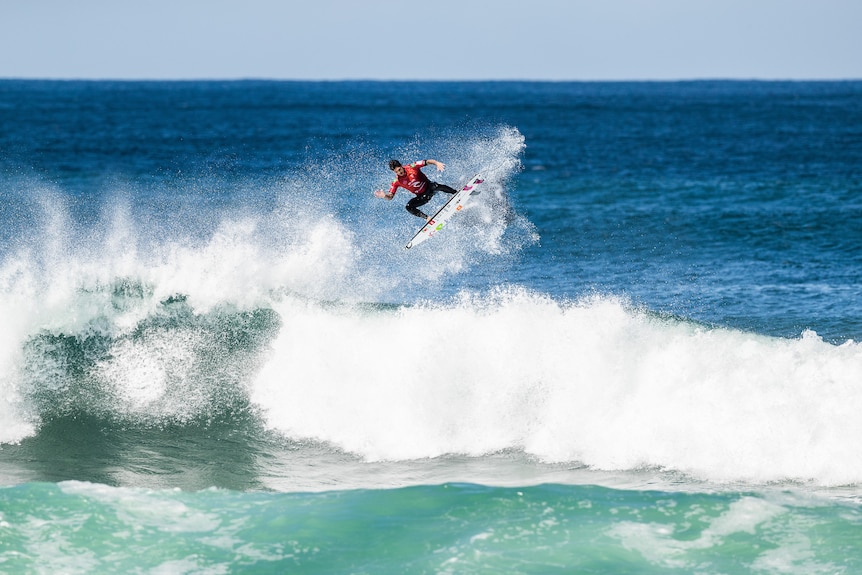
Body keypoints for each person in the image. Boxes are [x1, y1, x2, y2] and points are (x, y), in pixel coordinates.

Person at [375, 159, 459, 220]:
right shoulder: (396, 181)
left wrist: (437, 163)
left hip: (429, 187)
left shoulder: (412, 166)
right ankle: (427, 218)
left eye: (399, 169)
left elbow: (427, 161)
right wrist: (384, 196)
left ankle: (456, 193)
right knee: (408, 207)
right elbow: (390, 196)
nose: (399, 172)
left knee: (436, 186)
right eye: (396, 172)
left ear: (401, 165)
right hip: (422, 196)